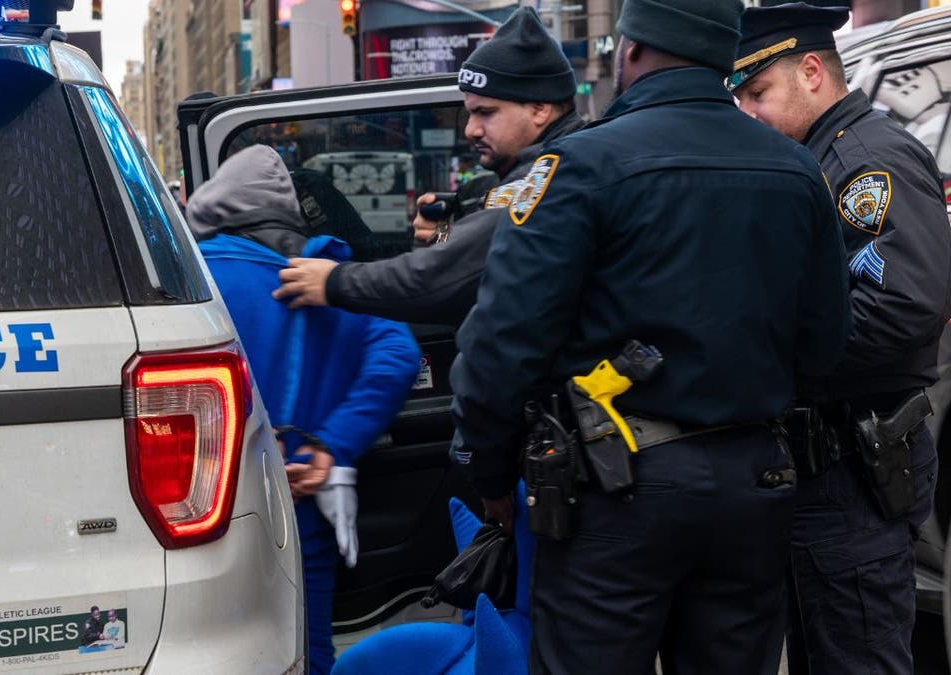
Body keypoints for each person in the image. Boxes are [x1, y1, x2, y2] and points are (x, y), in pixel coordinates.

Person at [449, 0, 852, 673]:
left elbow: (502, 345)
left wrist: (489, 473)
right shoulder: (796, 169)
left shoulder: (578, 165)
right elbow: (825, 345)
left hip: (616, 488)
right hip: (754, 484)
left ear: (631, 48)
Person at [730, 4, 951, 673]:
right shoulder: (817, 159)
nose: (749, 112)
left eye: (758, 93)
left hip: (852, 464)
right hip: (824, 464)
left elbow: (902, 303)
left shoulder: (864, 161)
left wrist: (777, 363)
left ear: (813, 70)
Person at [186, 144, 420, 675]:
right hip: (305, 499)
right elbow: (399, 354)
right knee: (310, 647)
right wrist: (331, 443)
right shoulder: (329, 275)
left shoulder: (193, 281)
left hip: (214, 508)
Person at [273, 7, 584, 326]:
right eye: (470, 114)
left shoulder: (550, 178)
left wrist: (332, 281)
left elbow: (432, 280)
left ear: (539, 109)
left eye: (486, 113)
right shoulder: (557, 165)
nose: (470, 130)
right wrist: (450, 232)